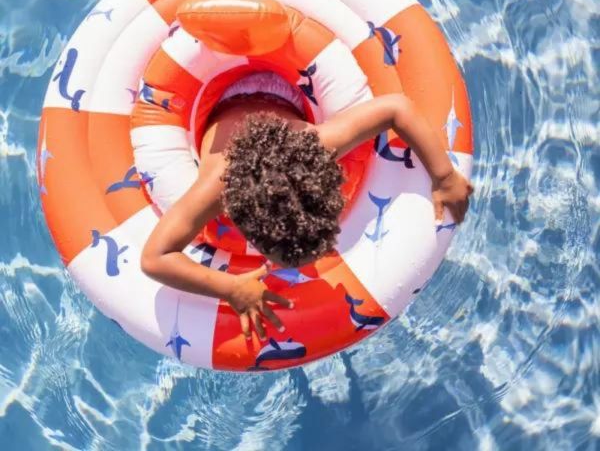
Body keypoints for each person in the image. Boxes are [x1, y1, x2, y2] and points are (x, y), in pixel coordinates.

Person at [141, 70, 473, 340]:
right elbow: (153, 259)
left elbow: (398, 108)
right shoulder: (216, 185)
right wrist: (230, 288)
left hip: (279, 89)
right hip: (219, 97)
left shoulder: (315, 144)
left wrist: (445, 177)